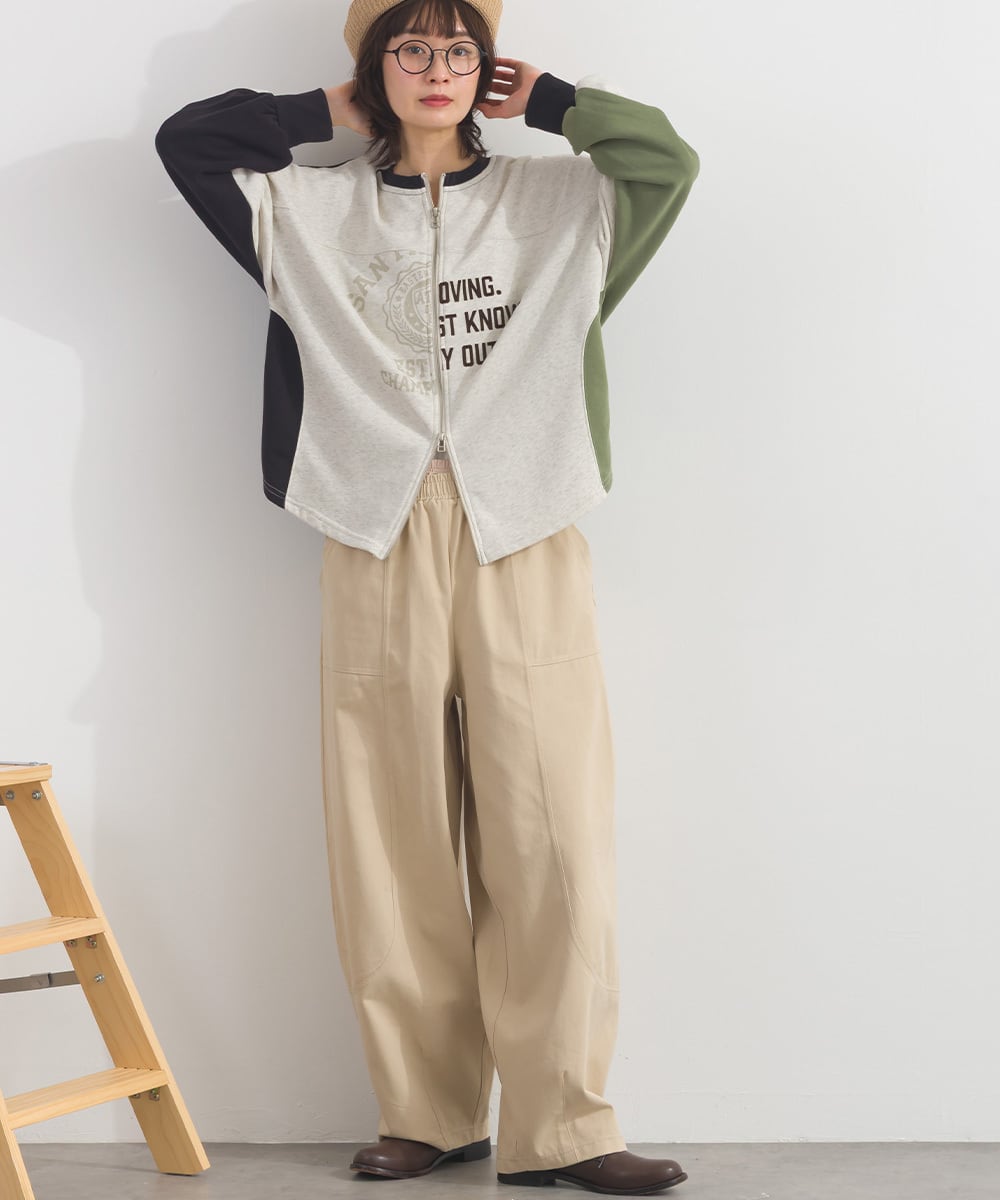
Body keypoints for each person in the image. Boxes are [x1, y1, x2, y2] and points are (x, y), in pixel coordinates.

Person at [154, 0, 699, 1192]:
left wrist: (551, 102)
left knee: (552, 836)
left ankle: (567, 1127)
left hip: (525, 530)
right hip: (373, 530)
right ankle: (429, 1110)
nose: (438, 69)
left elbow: (665, 160)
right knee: (389, 836)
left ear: (487, 65)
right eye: (410, 47)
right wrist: (328, 109)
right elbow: (188, 141)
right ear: (375, 65)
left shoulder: (562, 204)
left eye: (460, 49)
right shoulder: (305, 208)